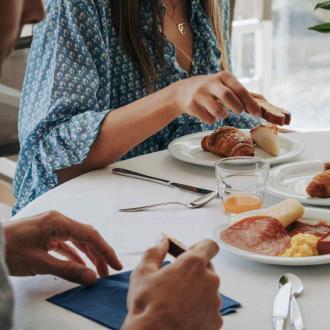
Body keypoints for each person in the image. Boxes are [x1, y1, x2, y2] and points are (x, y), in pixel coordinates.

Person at [1, 4, 222, 329]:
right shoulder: (74, 7)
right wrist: (160, 322)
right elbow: (54, 150)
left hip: (173, 225)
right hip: (96, 240)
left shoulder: (205, 8)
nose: (37, 11)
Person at [13, 0, 263, 214]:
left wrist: (261, 132)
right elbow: (51, 157)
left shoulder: (210, 4)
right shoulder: (76, 4)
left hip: (182, 209)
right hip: (89, 227)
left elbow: (212, 118)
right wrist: (174, 97)